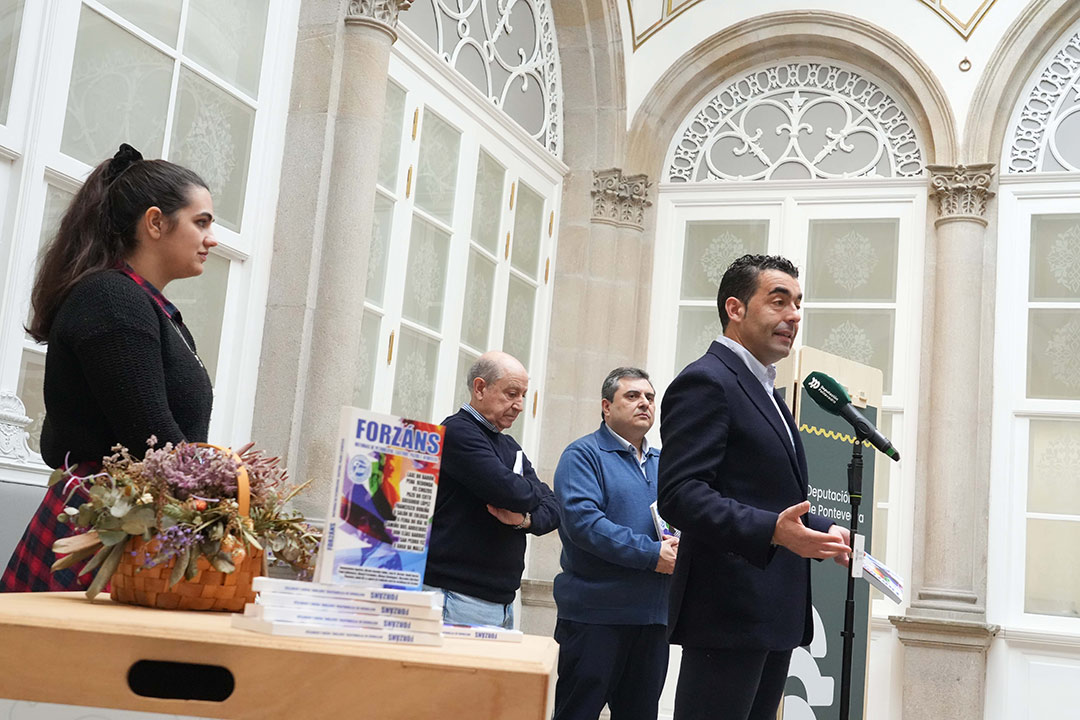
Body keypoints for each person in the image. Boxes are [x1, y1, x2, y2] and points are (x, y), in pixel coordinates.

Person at [1, 144, 218, 593]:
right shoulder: (112, 300)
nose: (211, 239)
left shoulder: (151, 308)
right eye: (201, 222)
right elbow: (149, 435)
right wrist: (223, 498)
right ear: (155, 222)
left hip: (129, 522)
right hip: (100, 527)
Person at [657, 254, 850, 720]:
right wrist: (773, 531)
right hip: (727, 613)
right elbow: (681, 494)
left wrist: (823, 528)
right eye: (779, 301)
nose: (794, 315)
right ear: (735, 308)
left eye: (798, 304)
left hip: (771, 614)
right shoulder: (706, 381)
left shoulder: (765, 388)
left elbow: (768, 494)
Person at [552, 367, 677, 720]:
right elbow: (584, 524)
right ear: (606, 407)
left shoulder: (665, 463)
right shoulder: (582, 455)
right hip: (595, 618)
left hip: (653, 619)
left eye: (650, 397)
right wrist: (652, 554)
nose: (644, 403)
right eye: (632, 396)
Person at [423, 350, 559, 628]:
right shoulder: (457, 432)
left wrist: (524, 520)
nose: (519, 405)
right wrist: (531, 491)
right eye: (512, 394)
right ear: (480, 388)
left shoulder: (509, 446)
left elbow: (556, 508)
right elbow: (511, 492)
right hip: (457, 597)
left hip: (501, 601)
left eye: (523, 395)